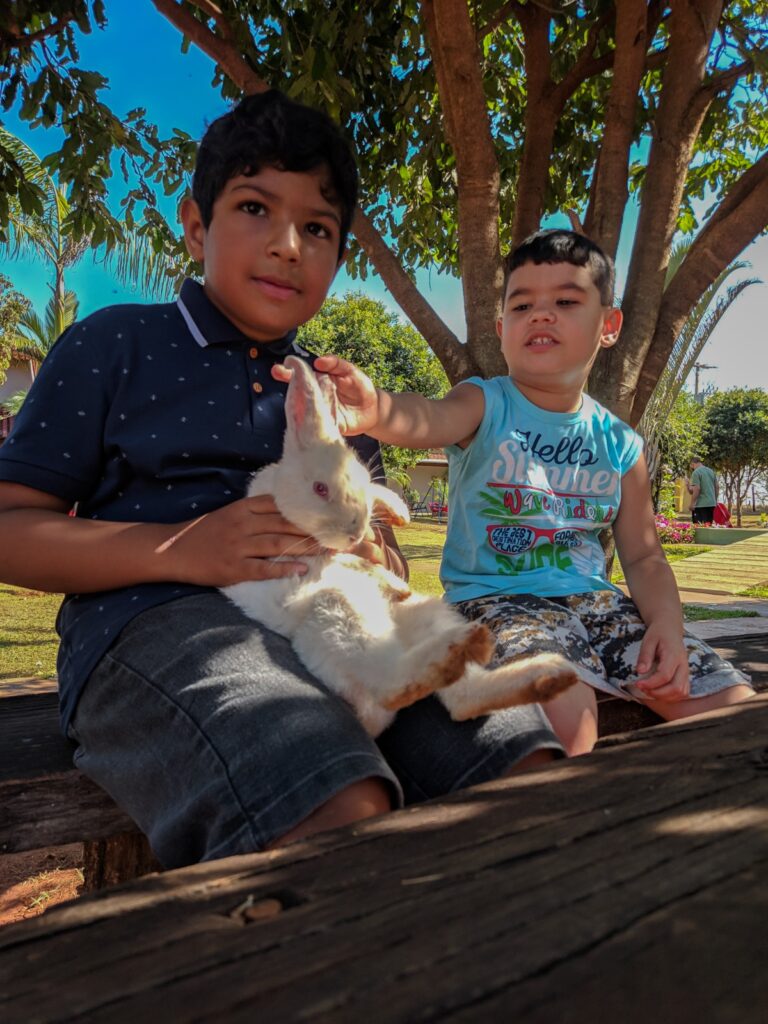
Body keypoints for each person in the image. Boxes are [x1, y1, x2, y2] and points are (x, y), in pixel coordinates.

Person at [0, 91, 563, 870]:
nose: (289, 244)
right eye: (256, 208)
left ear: (338, 257)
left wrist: (378, 559)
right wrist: (178, 552)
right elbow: (11, 530)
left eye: (318, 228)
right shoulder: (116, 343)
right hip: (158, 625)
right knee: (331, 800)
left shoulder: (328, 394)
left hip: (340, 625)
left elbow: (376, 540)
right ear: (196, 226)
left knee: (521, 762)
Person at [300, 229, 754, 757]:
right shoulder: (484, 404)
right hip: (494, 602)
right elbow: (429, 418)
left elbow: (646, 557)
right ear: (502, 328)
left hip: (598, 605)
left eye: (565, 300)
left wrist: (669, 629)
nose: (541, 315)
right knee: (568, 712)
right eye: (522, 305)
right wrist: (376, 409)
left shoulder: (622, 445)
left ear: (609, 326)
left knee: (733, 706)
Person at [686, 457, 718, 524]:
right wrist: (715, 500)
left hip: (700, 505)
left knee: (699, 529)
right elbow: (717, 487)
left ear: (692, 464)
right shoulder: (711, 471)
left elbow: (697, 489)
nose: (692, 468)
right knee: (708, 527)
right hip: (711, 504)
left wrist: (692, 504)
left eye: (691, 466)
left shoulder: (696, 472)